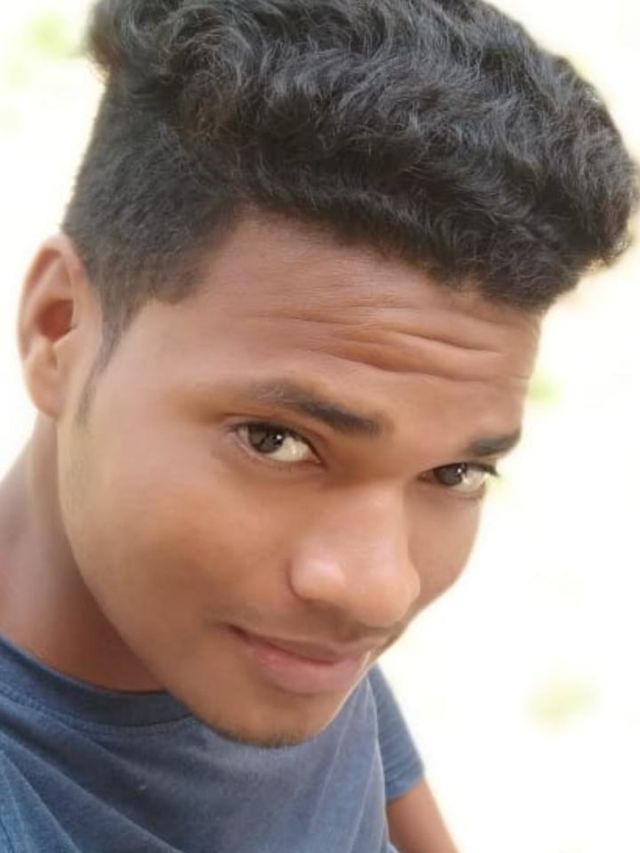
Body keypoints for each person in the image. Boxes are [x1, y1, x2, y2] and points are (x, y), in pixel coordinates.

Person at [0, 0, 636, 850]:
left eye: (454, 473)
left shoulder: (279, 636)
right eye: (277, 440)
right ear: (59, 329)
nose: (381, 590)